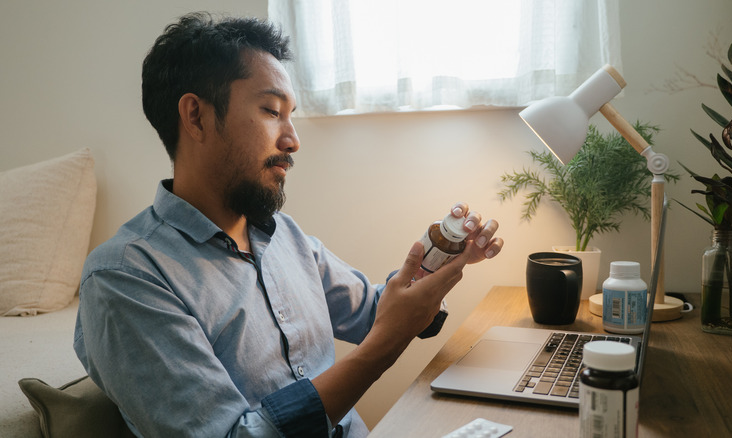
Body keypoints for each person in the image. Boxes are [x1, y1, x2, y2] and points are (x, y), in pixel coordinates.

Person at [74, 12, 503, 438]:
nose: (293, 140)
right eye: (271, 111)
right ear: (196, 116)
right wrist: (381, 350)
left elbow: (379, 313)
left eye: (291, 114)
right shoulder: (126, 277)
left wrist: (441, 258)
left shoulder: (285, 237)